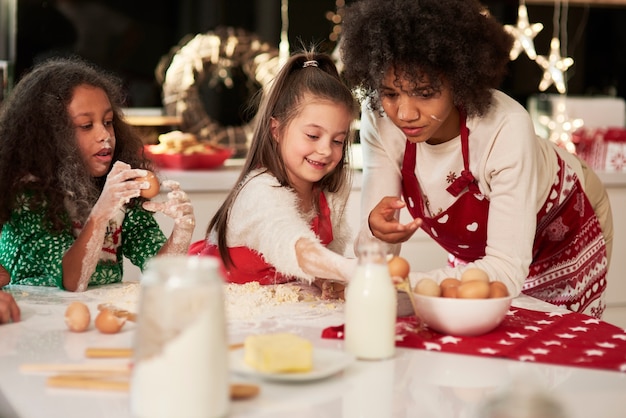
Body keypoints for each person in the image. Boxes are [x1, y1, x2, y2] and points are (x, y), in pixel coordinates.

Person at [339, 0, 613, 318]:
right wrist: (375, 233)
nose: (405, 114)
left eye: (425, 93)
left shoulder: (504, 126)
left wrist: (402, 287)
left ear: (459, 80)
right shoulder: (380, 121)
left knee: (558, 344)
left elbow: (506, 270)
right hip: (486, 253)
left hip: (565, 222)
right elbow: (376, 254)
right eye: (390, 93)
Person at [0, 57, 195, 292]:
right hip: (35, 319)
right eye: (86, 125)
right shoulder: (29, 195)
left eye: (108, 121)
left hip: (95, 319)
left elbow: (161, 271)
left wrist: (181, 231)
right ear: (51, 135)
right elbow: (72, 280)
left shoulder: (117, 190)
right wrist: (102, 212)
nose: (105, 135)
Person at [189, 51, 358, 299]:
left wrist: (328, 279)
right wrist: (355, 269)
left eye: (337, 140)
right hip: (212, 303)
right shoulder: (260, 192)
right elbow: (296, 248)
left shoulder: (328, 196)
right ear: (276, 130)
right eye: (313, 136)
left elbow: (323, 259)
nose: (325, 150)